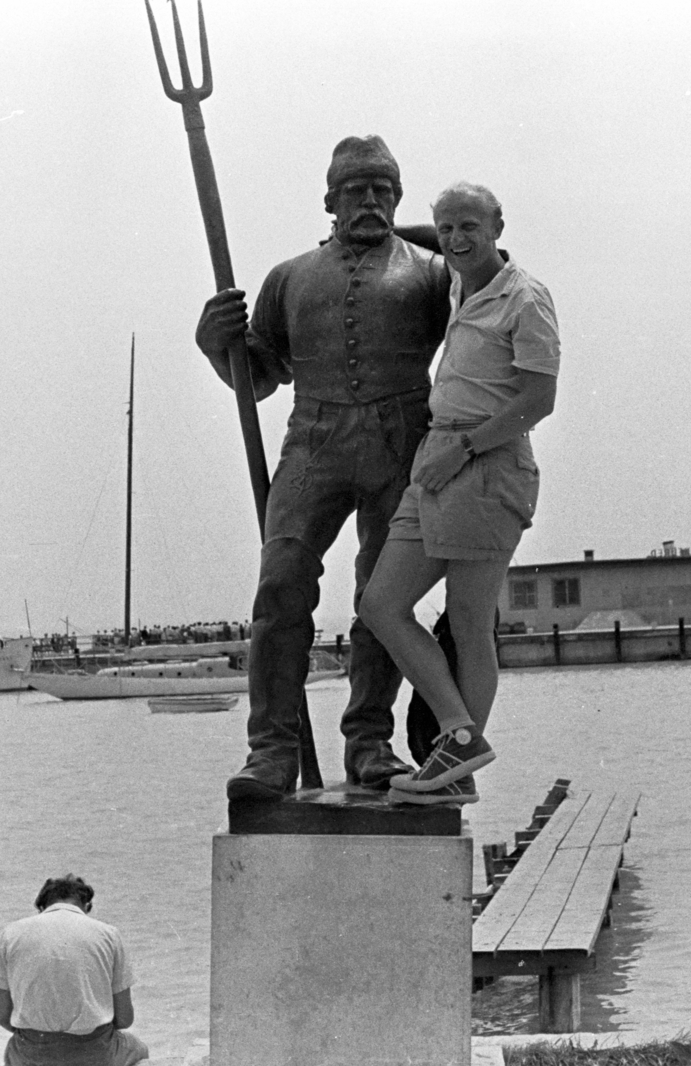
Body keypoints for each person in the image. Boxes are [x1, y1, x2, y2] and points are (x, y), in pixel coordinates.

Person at [195, 135, 451, 800]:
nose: (370, 199)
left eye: (384, 189)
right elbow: (260, 380)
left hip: (404, 441)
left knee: (382, 596)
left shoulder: (430, 271)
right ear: (329, 198)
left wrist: (416, 232)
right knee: (280, 585)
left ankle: (369, 742)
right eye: (356, 188)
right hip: (314, 440)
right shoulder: (289, 278)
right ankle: (272, 750)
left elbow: (491, 267)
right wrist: (217, 346)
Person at [359, 182, 559, 805]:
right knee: (380, 604)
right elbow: (433, 241)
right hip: (437, 461)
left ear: (500, 224)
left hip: (486, 463)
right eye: (446, 228)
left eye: (470, 225)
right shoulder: (457, 279)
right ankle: (459, 736)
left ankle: (456, 765)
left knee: (470, 623)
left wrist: (467, 448)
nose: (456, 239)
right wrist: (380, 235)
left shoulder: (525, 299)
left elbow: (539, 400)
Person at [0, 874, 147, 1066]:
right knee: (139, 1049)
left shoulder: (11, 934)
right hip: (94, 1053)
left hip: (31, 1055)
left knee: (13, 1049)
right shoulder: (109, 934)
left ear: (41, 907)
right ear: (87, 906)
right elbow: (125, 1018)